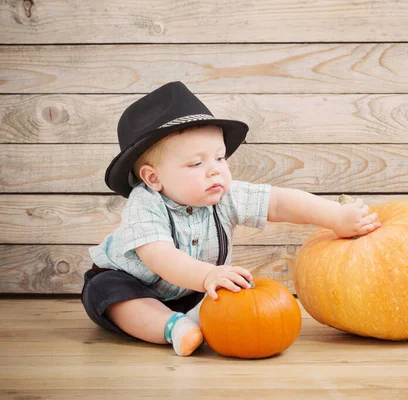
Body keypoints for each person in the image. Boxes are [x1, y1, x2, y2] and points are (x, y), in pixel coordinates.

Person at [81, 81, 381, 356]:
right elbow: (161, 257)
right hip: (130, 283)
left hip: (191, 289)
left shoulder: (225, 195)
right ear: (153, 177)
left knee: (225, 291)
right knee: (113, 295)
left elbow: (279, 202)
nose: (215, 170)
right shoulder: (144, 205)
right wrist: (207, 275)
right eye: (196, 163)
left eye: (220, 158)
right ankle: (174, 327)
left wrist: (335, 216)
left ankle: (194, 318)